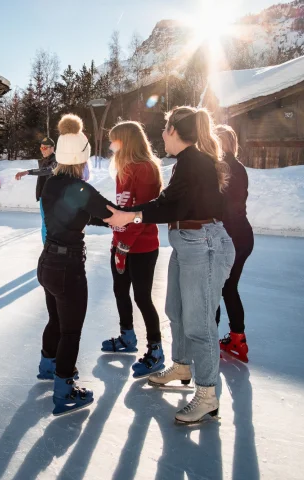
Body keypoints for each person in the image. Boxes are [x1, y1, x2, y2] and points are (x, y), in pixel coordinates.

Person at [105, 107, 235, 424]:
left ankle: (207, 396)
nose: (161, 134)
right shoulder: (187, 163)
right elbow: (170, 206)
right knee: (175, 310)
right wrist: (132, 214)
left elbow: (167, 204)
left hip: (202, 244)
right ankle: (182, 365)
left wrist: (131, 214)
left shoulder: (195, 163)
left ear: (174, 131)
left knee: (199, 324)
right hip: (186, 242)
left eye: (164, 128)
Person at [36, 114, 113, 416]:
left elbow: (73, 214)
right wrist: (137, 216)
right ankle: (65, 389)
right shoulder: (82, 189)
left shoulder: (52, 183)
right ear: (83, 158)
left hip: (47, 264)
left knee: (56, 321)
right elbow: (111, 212)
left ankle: (48, 365)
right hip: (68, 268)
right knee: (71, 331)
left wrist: (99, 220)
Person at [101, 121, 165, 380]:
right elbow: (122, 209)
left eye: (115, 140)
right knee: (119, 290)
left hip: (141, 246)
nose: (112, 145)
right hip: (121, 244)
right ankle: (127, 336)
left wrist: (125, 245)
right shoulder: (123, 169)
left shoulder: (146, 169)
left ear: (127, 141)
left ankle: (156, 350)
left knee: (142, 297)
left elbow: (144, 213)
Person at [214, 124, 254, 362]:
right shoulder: (239, 167)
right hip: (243, 236)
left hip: (229, 238)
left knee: (217, 287)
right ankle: (238, 338)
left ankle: (210, 339)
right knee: (229, 287)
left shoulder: (220, 168)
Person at [15, 137, 57, 243]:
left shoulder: (56, 160)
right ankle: (47, 247)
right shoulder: (44, 160)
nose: (42, 150)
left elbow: (46, 171)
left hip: (52, 197)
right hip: (44, 196)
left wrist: (28, 172)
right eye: (41, 148)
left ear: (52, 148)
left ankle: (50, 247)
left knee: (50, 224)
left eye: (45, 148)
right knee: (45, 223)